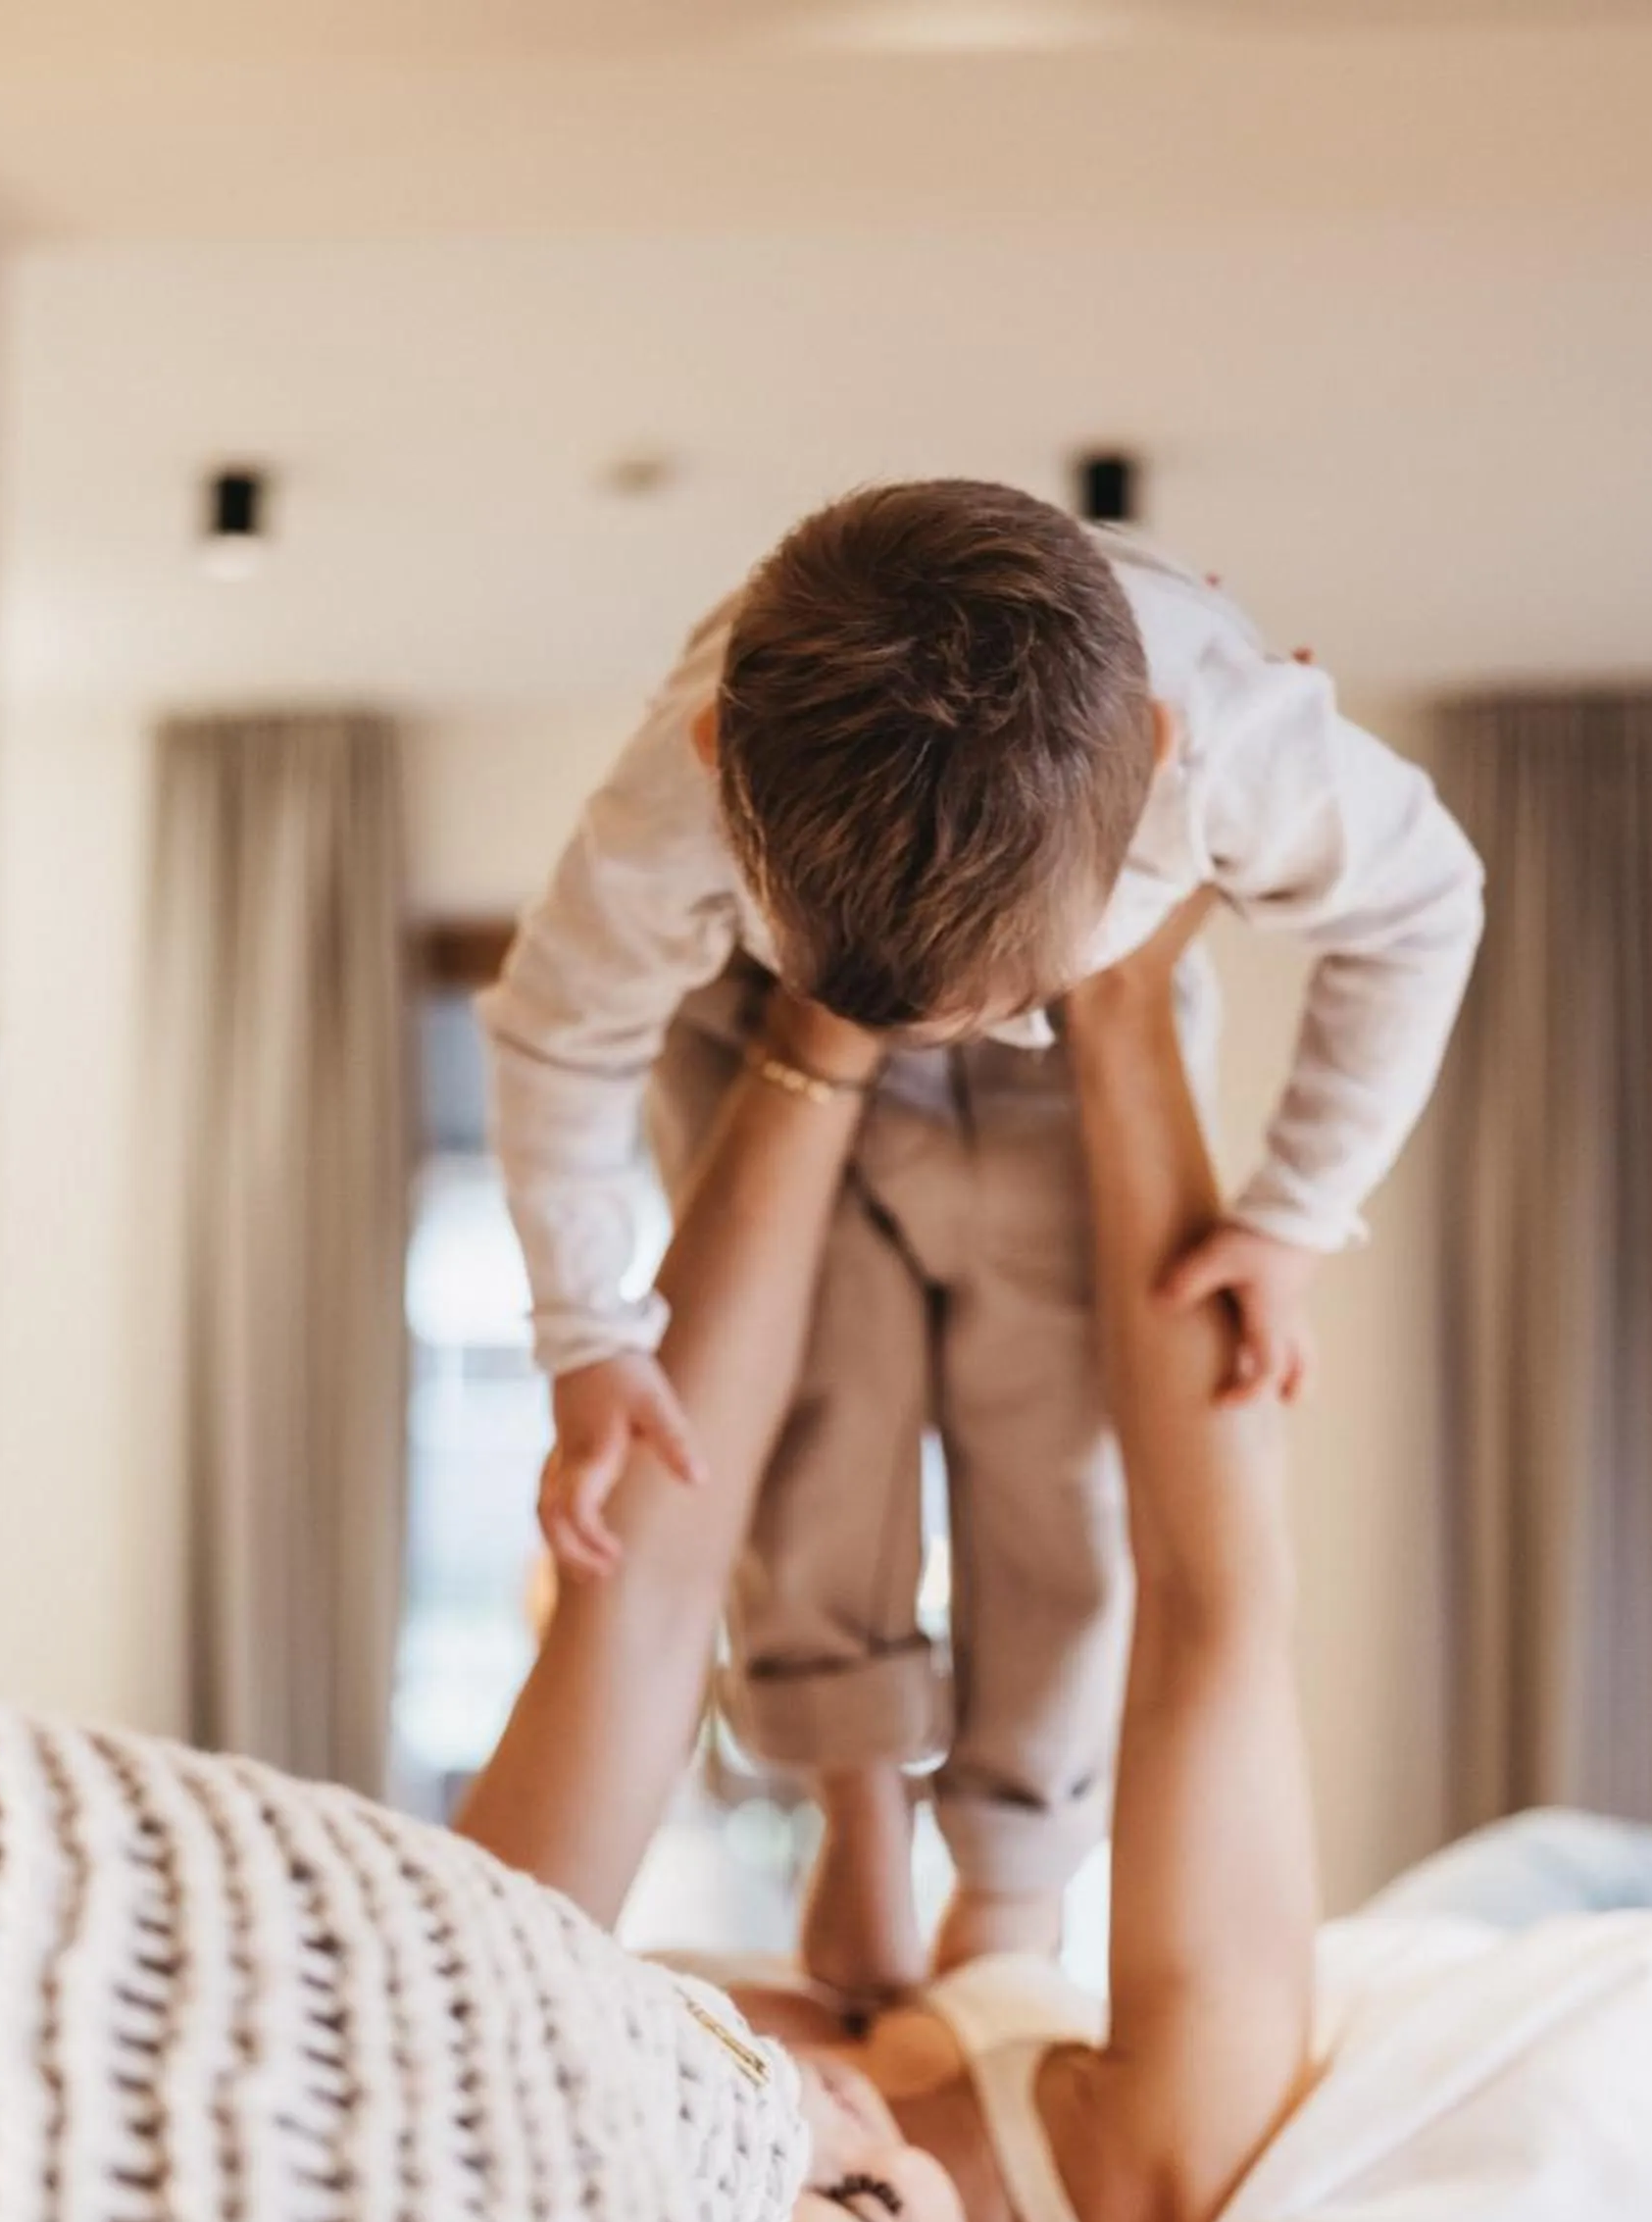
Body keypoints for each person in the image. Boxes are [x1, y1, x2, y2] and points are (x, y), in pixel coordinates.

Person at [462, 892, 1652, 2222]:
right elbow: (1208, 1599)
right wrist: (1125, 1003)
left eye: (723, 2159)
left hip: (1247, 1956)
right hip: (1489, 1943)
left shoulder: (509, 2038)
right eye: (869, 2205)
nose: (800, 2112)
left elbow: (661, 1581)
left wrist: (822, 1023)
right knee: (1571, 1876)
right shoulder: (1143, 2184)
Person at [481, 480, 1485, 2001]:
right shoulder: (667, 791)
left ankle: (1014, 1866)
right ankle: (855, 1800)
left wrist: (1291, 1214)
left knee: (1057, 1450)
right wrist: (585, 1335)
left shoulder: (1231, 736)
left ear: (1150, 762)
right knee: (818, 1424)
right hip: (759, 1027)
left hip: (1056, 1089)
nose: (917, 1040)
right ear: (715, 768)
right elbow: (560, 1034)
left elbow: (1421, 910)